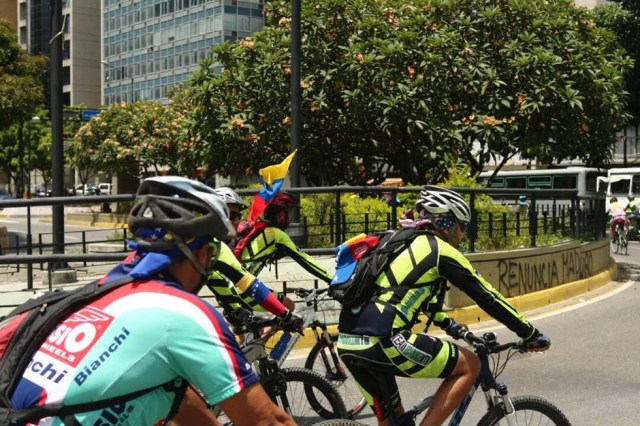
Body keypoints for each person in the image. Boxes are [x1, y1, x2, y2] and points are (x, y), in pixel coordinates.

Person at [10, 176, 296, 426]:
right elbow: (267, 421)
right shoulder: (180, 312)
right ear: (199, 253)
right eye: (211, 249)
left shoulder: (100, 292)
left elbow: (180, 403)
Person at [336, 185, 550, 426]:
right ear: (447, 222)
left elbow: (406, 297)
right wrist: (530, 333)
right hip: (385, 341)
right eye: (462, 226)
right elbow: (488, 296)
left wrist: (453, 327)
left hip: (347, 342)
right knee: (470, 365)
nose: (462, 234)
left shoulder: (396, 242)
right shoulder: (439, 249)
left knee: (393, 422)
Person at [206, 186, 300, 326]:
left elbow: (215, 281)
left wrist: (235, 309)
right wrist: (286, 315)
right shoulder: (214, 247)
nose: (237, 221)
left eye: (239, 216)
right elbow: (249, 283)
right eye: (231, 216)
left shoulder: (202, 242)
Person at [237, 191, 333, 285]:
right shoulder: (277, 235)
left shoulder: (259, 229)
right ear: (282, 215)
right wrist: (331, 279)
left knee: (285, 301)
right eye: (290, 213)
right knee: (284, 302)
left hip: (237, 283)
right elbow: (305, 259)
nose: (291, 217)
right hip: (243, 289)